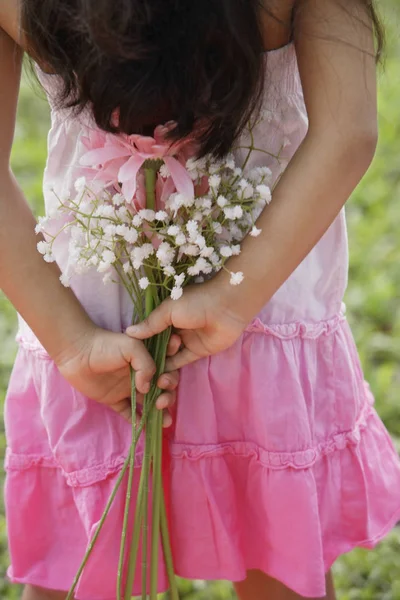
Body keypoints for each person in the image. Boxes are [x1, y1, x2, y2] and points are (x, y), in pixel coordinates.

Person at [1, 1, 399, 599]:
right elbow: (349, 132)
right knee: (277, 560)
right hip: (262, 307)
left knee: (80, 564)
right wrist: (234, 298)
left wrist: (71, 342)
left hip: (95, 324)